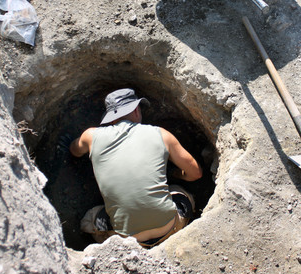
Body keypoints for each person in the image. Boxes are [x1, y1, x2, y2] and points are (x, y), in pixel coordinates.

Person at [69, 88, 202, 247]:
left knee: (90, 219)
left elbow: (74, 150)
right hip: (169, 229)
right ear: (137, 110)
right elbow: (195, 173)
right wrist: (176, 174)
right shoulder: (161, 134)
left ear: (111, 119)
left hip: (128, 242)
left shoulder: (91, 136)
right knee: (180, 193)